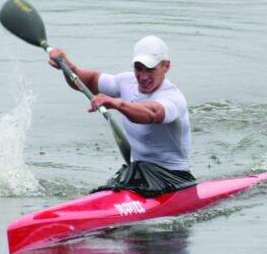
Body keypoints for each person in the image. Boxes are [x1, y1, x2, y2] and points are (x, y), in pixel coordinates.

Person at [48, 35, 196, 197]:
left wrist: (117, 104)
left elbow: (153, 113)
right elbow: (88, 81)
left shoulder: (172, 98)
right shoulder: (127, 82)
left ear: (166, 66)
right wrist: (68, 67)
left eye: (150, 69)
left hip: (173, 179)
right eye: (138, 68)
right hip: (138, 172)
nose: (143, 76)